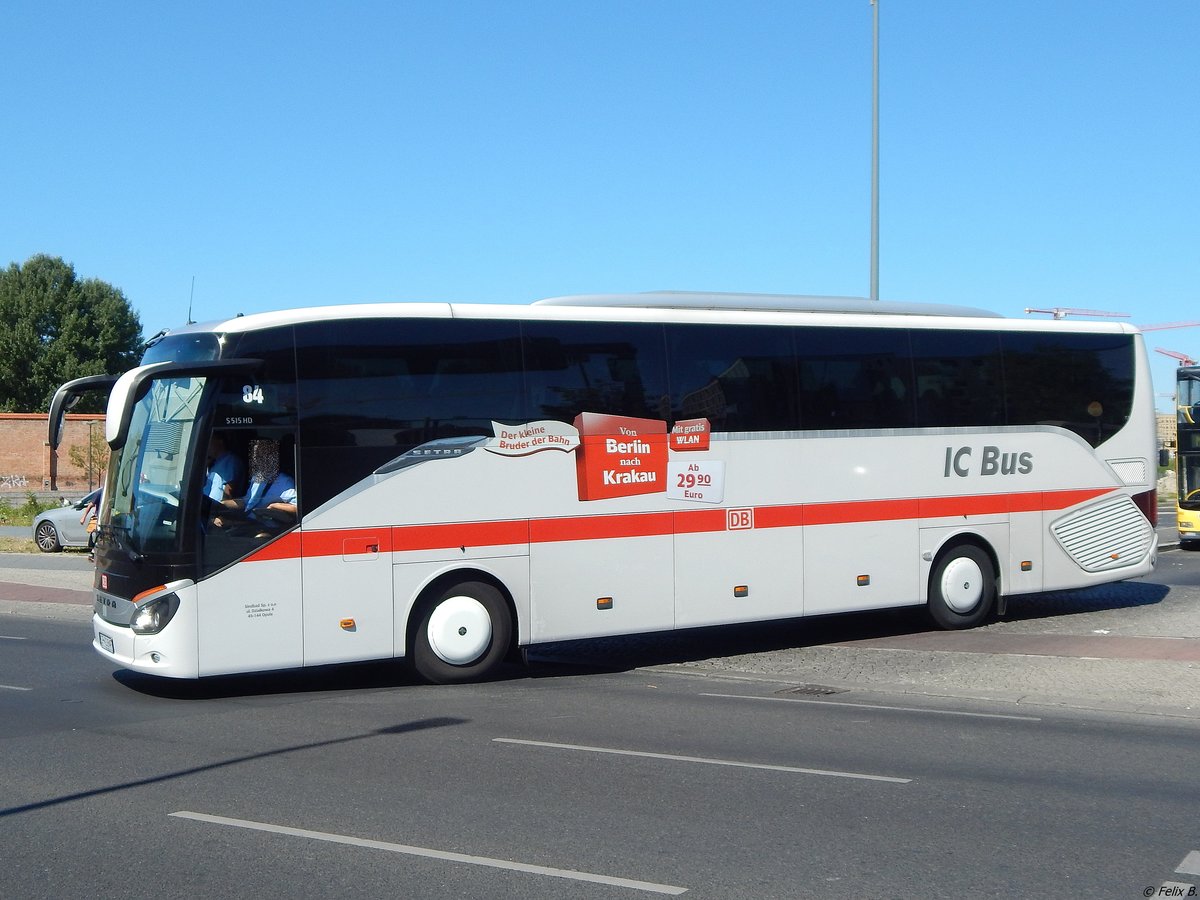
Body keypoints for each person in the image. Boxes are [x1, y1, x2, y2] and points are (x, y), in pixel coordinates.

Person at [214, 439, 296, 535]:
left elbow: (297, 508)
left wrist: (275, 506)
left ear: (272, 457)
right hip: (249, 523)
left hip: (268, 531)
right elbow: (247, 502)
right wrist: (220, 505)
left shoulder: (285, 482)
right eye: (254, 454)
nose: (256, 458)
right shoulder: (257, 477)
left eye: (260, 454)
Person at [204, 433, 245, 503]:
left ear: (220, 441)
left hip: (216, 510)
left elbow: (229, 490)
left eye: (210, 441)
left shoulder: (230, 460)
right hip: (206, 508)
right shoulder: (215, 463)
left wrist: (221, 510)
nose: (206, 446)